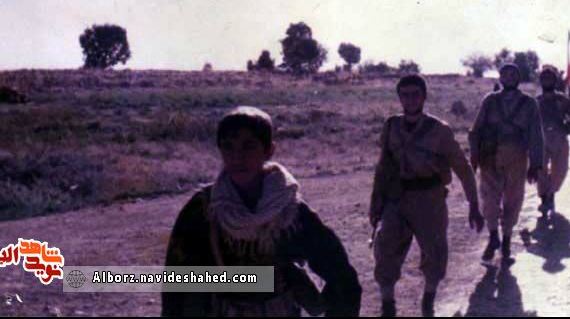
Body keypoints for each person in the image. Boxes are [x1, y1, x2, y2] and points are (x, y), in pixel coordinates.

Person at [162, 106, 361, 317]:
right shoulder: (204, 209)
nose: (237, 157)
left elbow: (341, 276)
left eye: (248, 146)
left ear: (269, 151)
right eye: (228, 146)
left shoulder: (288, 211)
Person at [369, 74, 484, 317]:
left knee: (435, 253)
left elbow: (463, 168)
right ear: (399, 98)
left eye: (415, 94)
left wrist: (473, 204)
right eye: (405, 95)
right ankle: (388, 305)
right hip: (397, 197)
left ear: (424, 97)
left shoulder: (439, 130)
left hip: (429, 199)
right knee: (385, 248)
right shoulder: (391, 126)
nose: (410, 100)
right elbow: (383, 167)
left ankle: (428, 301)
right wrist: (376, 203)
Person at [469, 63, 544, 262]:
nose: (509, 78)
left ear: (518, 78)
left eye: (513, 74)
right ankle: (493, 236)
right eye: (505, 74)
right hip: (490, 155)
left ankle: (507, 240)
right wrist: (474, 156)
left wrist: (535, 164)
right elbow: (476, 130)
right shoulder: (490, 100)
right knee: (489, 197)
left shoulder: (529, 103)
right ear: (500, 78)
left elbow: (536, 134)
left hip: (517, 155)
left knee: (513, 199)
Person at [536, 67, 570, 216]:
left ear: (555, 81)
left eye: (550, 78)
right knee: (540, 171)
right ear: (541, 81)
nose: (547, 81)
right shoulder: (536, 101)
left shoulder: (562, 99)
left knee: (561, 171)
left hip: (560, 138)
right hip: (541, 140)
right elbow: (526, 122)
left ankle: (551, 192)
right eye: (544, 78)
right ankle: (545, 199)